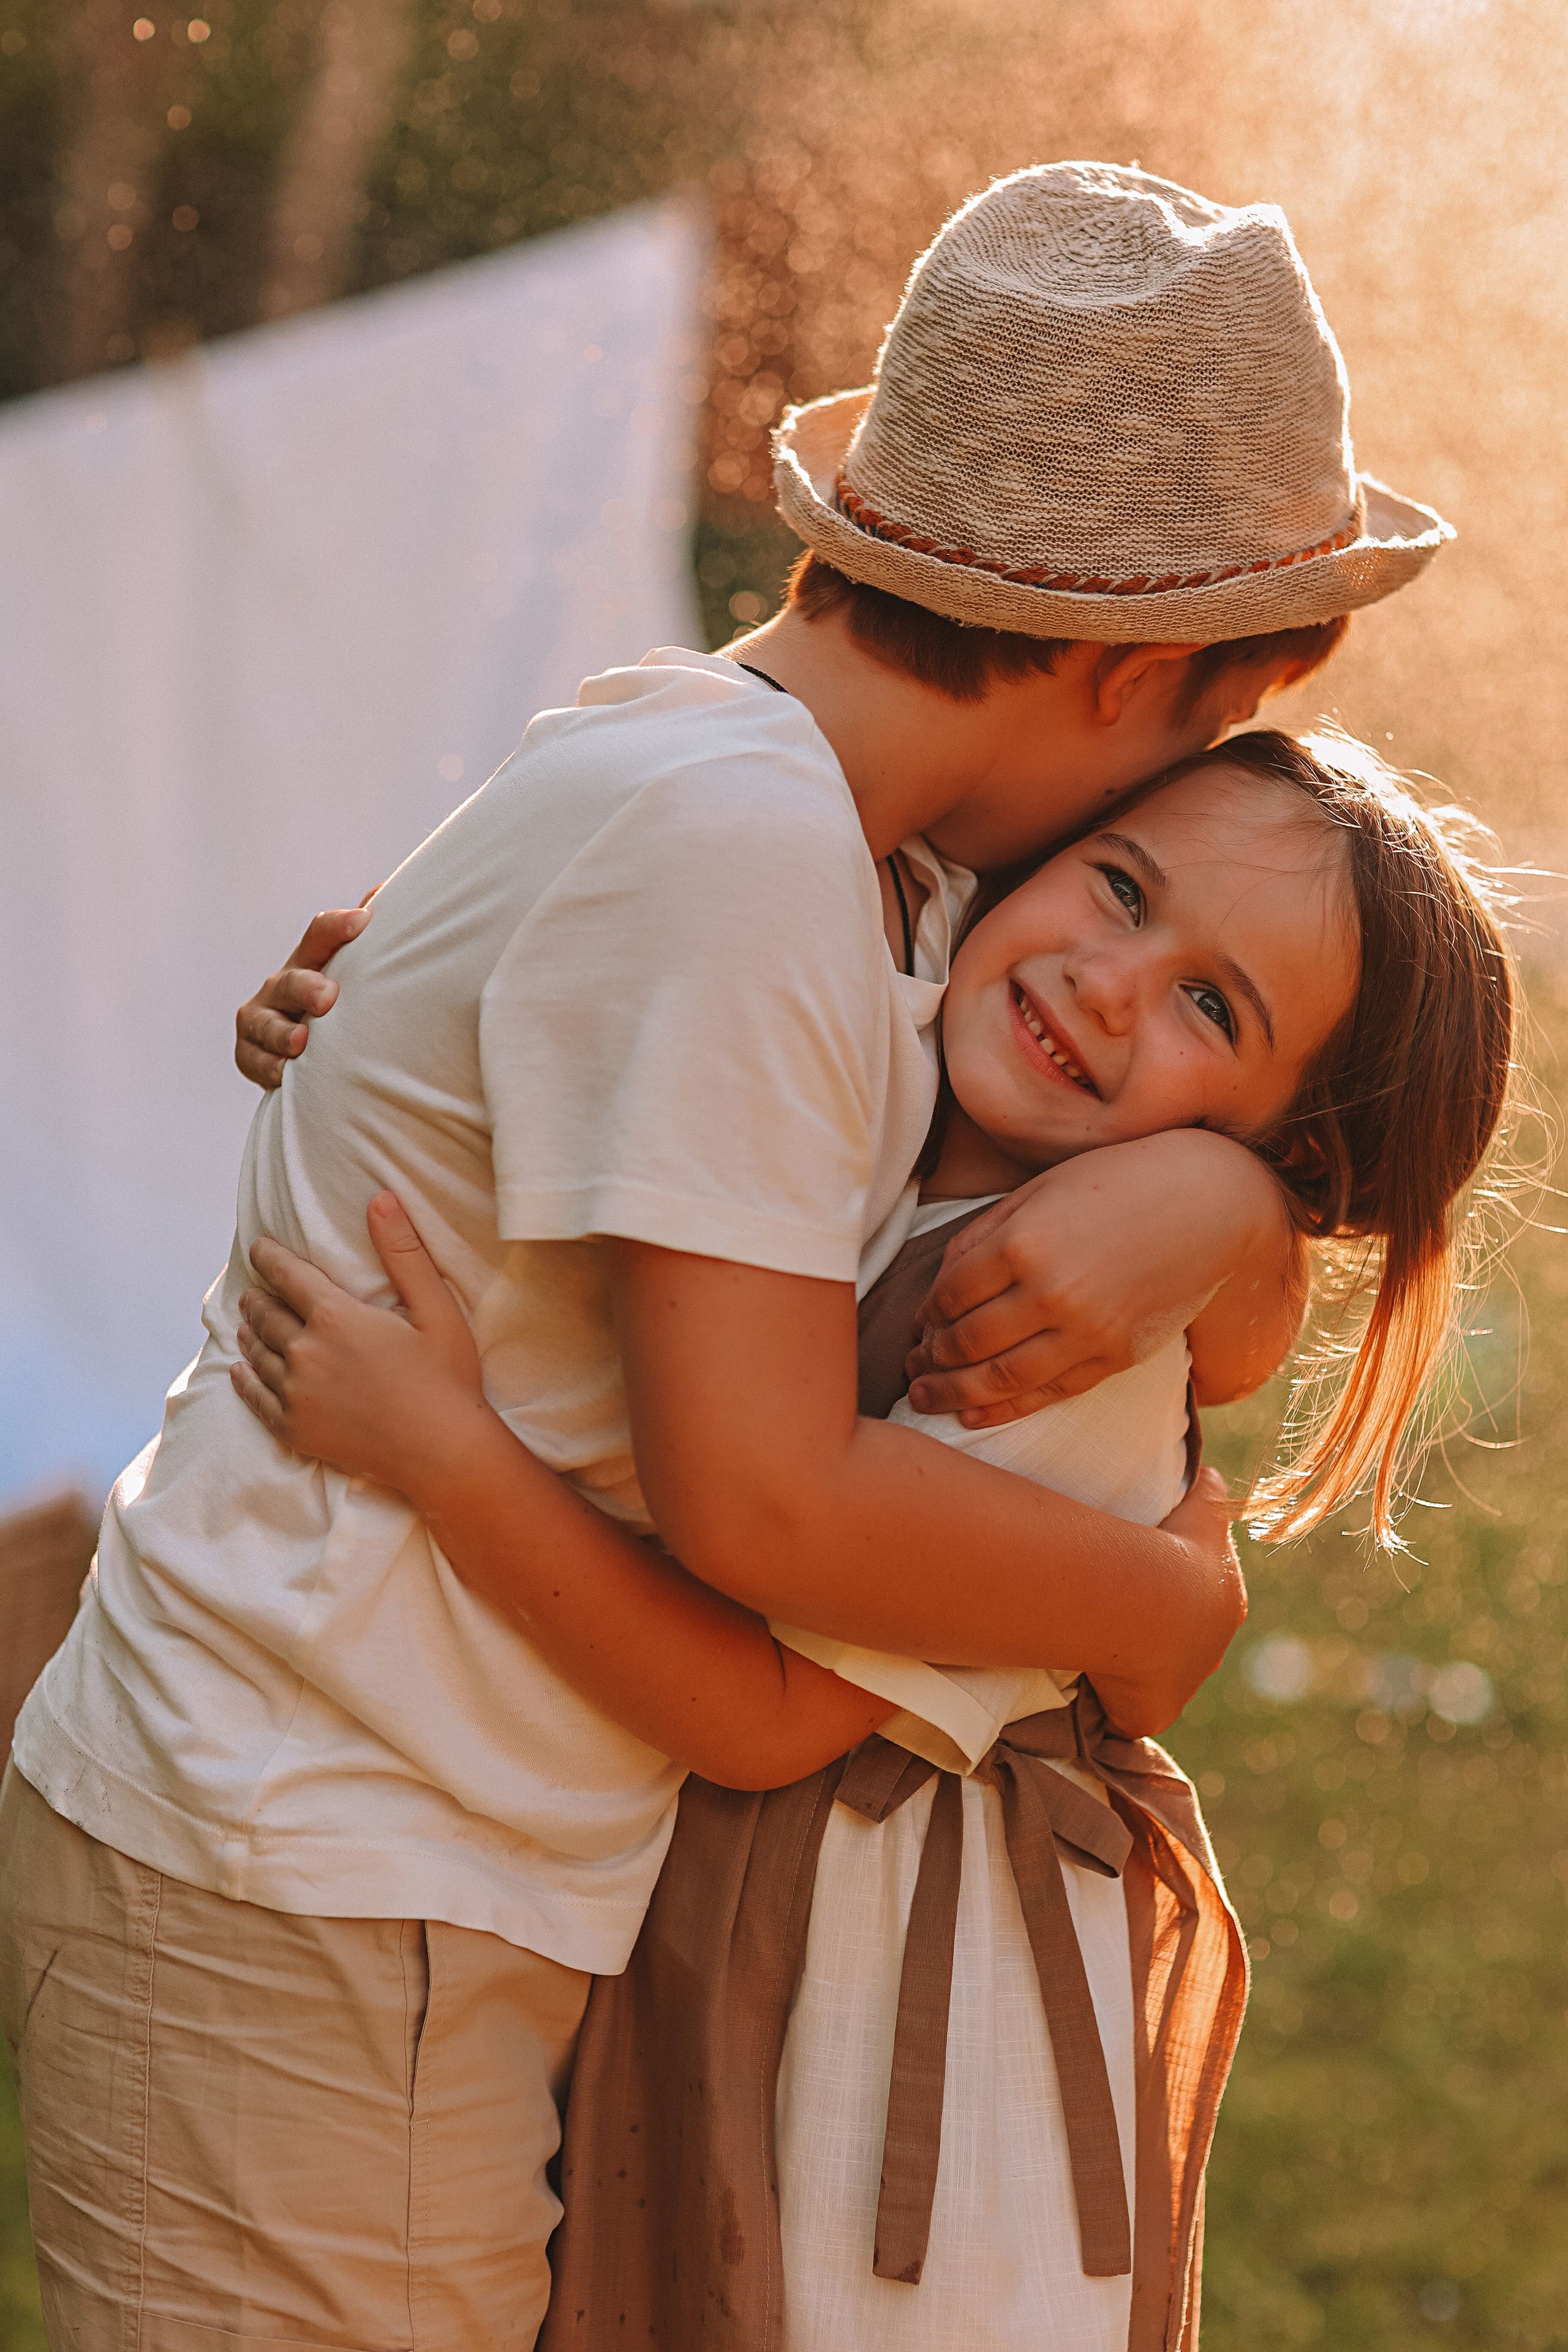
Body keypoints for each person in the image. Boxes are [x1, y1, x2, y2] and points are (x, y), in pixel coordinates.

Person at [0, 164, 1450, 2352]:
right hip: (322, 1863)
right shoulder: (755, 864)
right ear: (1146, 674)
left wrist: (1232, 1203)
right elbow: (761, 1501)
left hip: (347, 1844)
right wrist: (1163, 1600)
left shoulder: (819, 834)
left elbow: (1180, 1277)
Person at [225, 730, 1514, 2351]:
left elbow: (759, 1718)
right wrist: (386, 1015)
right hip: (737, 1963)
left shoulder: (1046, 1335)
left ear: (1288, 1152)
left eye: (1211, 1008)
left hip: (888, 2053)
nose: (1113, 986)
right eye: (1122, 889)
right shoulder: (885, 1056)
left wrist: (442, 1452)